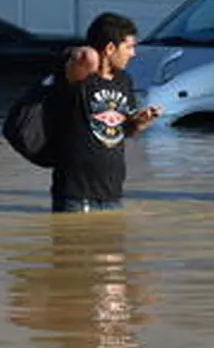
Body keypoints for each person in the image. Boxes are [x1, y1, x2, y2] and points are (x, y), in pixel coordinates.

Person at [51, 12, 161, 213]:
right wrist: (93, 52)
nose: (133, 53)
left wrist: (140, 123)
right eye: (128, 47)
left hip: (112, 194)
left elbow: (123, 130)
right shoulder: (78, 77)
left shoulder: (124, 81)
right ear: (110, 48)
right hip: (77, 196)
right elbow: (84, 56)